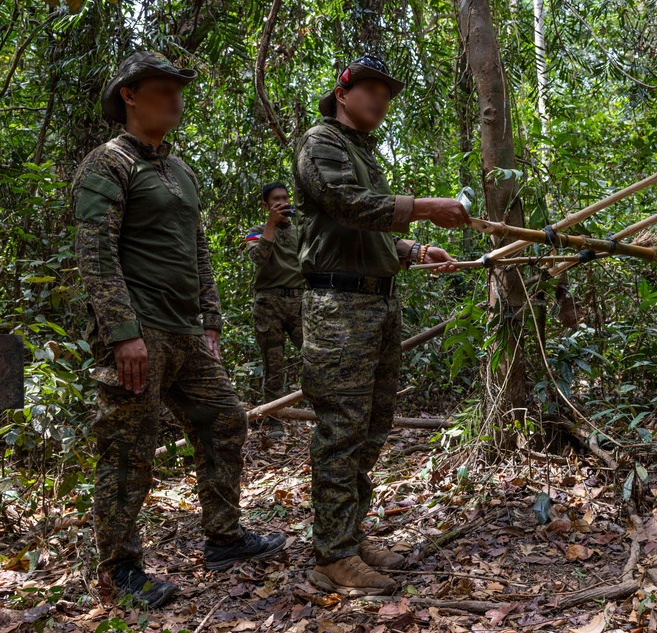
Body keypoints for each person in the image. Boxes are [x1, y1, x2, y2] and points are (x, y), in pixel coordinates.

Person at [73, 51, 286, 608]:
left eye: (177, 88)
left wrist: (210, 320)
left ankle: (224, 536)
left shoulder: (180, 169)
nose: (175, 97)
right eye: (162, 88)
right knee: (127, 450)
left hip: (186, 331)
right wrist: (123, 333)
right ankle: (119, 572)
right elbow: (95, 256)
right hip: (138, 332)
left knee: (224, 421)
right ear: (129, 95)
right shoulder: (108, 163)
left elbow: (198, 252)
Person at [294, 55, 469, 596]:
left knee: (371, 426)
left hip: (377, 303)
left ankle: (349, 536)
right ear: (342, 94)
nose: (378, 100)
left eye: (385, 93)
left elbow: (365, 232)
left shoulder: (365, 155)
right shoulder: (320, 142)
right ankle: (332, 554)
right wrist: (424, 207)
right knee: (342, 427)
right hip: (337, 308)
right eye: (368, 89)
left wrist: (414, 249)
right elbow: (345, 205)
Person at [245, 181, 307, 438]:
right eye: (276, 200)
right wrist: (270, 225)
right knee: (274, 368)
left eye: (285, 198)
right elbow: (259, 258)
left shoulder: (301, 231)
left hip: (299, 303)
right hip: (269, 304)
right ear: (266, 205)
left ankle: (323, 412)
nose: (282, 203)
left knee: (316, 358)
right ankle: (274, 423)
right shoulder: (256, 231)